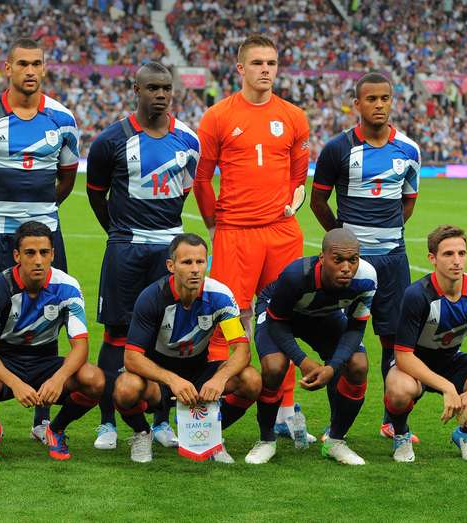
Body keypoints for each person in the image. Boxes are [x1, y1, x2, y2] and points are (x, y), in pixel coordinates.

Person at [0, 38, 80, 444]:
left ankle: (42, 418)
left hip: (48, 228)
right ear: (7, 68)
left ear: (45, 69)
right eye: (23, 64)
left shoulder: (63, 118)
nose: (30, 71)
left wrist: (41, 218)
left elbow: (67, 177)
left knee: (52, 313)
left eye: (37, 64)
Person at [194, 34, 312, 442]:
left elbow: (299, 174)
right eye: (258, 62)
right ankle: (207, 415)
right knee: (226, 321)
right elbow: (202, 178)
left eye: (272, 62)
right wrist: (214, 223)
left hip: (281, 233)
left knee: (283, 318)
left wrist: (289, 207)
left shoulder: (294, 116)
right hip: (235, 233)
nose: (266, 69)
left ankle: (285, 409)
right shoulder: (217, 116)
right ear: (241, 68)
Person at [86, 61, 200, 451]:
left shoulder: (188, 140)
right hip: (126, 246)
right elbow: (96, 193)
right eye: (152, 88)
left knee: (165, 336)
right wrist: (119, 232)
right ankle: (106, 423)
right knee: (116, 332)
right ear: (136, 90)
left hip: (167, 248)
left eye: (166, 88)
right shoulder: (110, 140)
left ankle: (162, 419)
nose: (161, 95)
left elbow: (184, 189)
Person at [310, 72, 422, 441]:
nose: (378, 105)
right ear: (356, 105)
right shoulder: (337, 149)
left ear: (393, 102)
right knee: (344, 345)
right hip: (350, 266)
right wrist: (342, 236)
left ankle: (393, 421)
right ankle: (335, 424)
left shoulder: (409, 150)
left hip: (393, 260)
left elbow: (408, 202)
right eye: (370, 99)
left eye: (384, 99)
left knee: (395, 342)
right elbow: (318, 201)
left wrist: (384, 236)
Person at [112, 233, 261, 463]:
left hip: (198, 370)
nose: (195, 269)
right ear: (171, 266)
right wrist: (172, 380)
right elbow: (132, 358)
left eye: (200, 262)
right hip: (159, 376)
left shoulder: (220, 297)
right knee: (125, 388)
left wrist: (220, 378)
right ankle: (142, 433)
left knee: (251, 380)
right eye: (187, 262)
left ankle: (212, 436)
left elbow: (242, 350)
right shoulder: (151, 297)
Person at [0, 222, 104, 461]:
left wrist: (58, 379)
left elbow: (80, 346)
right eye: (30, 253)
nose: (38, 260)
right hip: (5, 362)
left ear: (53, 254)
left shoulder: (68, 287)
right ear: (17, 256)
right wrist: (14, 383)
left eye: (44, 253)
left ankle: (56, 429)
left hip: (45, 362)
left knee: (95, 380)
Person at [384, 225, 467, 463]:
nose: (457, 261)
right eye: (448, 254)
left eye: (462, 253)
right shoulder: (417, 295)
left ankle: (466, 433)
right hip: (415, 364)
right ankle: (402, 434)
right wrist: (447, 388)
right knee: (398, 390)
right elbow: (403, 355)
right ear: (432, 259)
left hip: (451, 361)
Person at [246, 228, 375, 465]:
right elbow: (277, 322)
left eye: (353, 260)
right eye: (338, 260)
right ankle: (266, 440)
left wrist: (332, 367)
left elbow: (356, 328)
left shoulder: (367, 278)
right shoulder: (296, 275)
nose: (346, 267)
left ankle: (335, 441)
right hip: (281, 315)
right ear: (322, 258)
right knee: (275, 367)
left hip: (324, 315)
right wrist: (303, 361)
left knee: (357, 365)